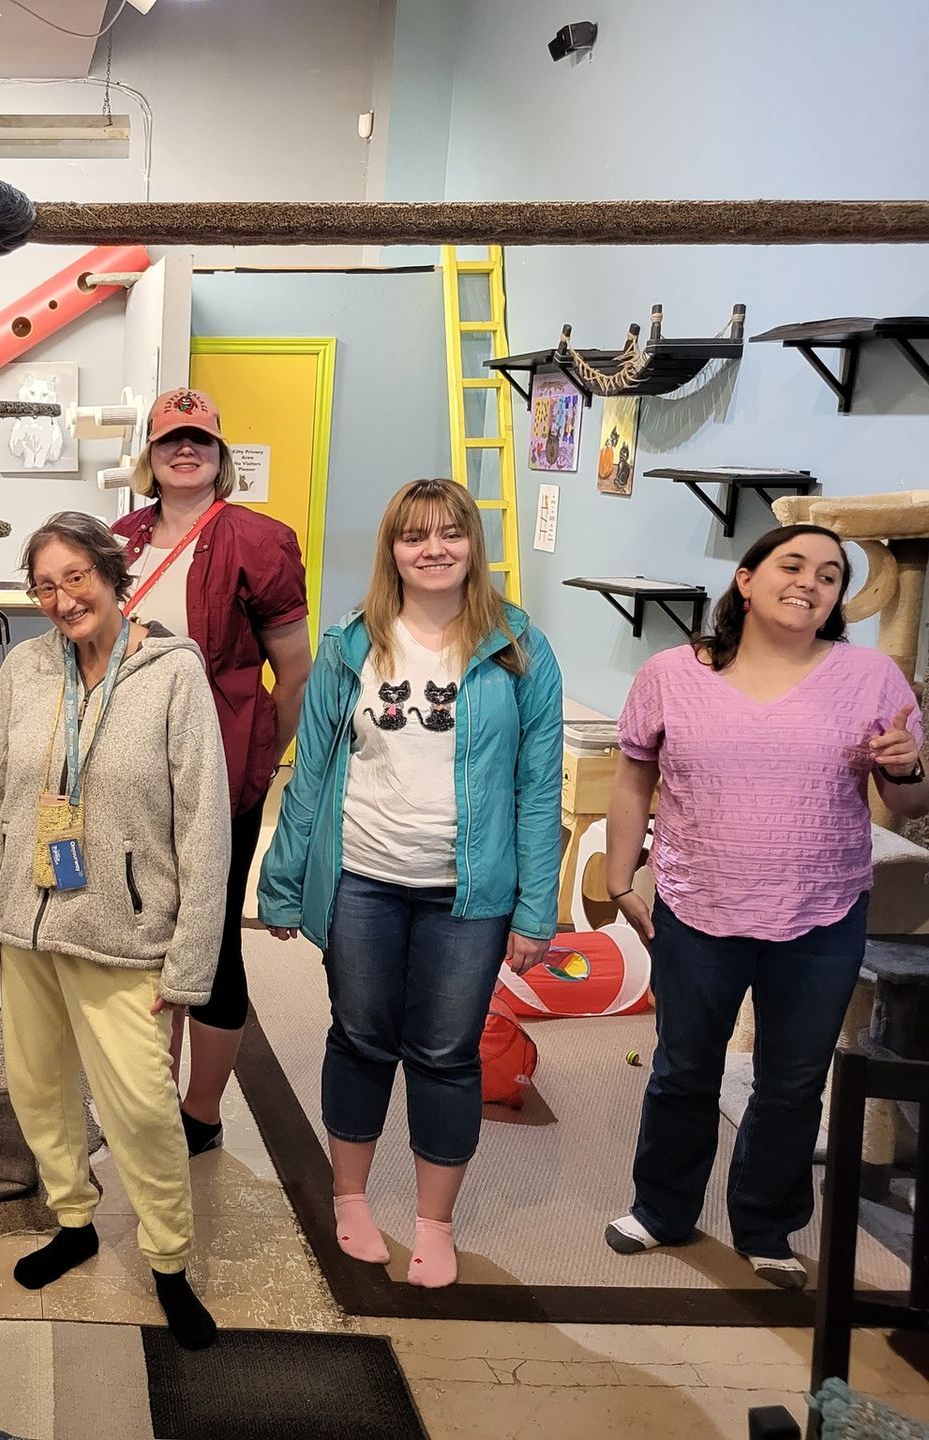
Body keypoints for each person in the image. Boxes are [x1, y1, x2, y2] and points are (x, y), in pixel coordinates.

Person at [602, 523, 928, 1289]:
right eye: (792, 564)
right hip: (696, 906)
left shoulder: (874, 678)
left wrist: (910, 765)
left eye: (829, 574)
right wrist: (622, 879)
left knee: (792, 1080)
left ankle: (767, 1227)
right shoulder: (670, 674)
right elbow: (631, 779)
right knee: (685, 1071)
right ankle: (661, 1209)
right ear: (745, 580)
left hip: (821, 914)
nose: (810, 582)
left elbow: (908, 798)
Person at [256, 478, 563, 1288]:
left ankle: (434, 1221)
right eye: (414, 535)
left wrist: (538, 909)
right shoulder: (351, 644)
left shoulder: (518, 648)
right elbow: (311, 771)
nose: (433, 549)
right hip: (364, 878)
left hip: (469, 891)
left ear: (472, 544)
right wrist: (284, 882)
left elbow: (539, 790)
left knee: (446, 1052)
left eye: (449, 533)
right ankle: (350, 1198)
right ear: (391, 548)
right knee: (359, 1038)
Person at [0, 512, 230, 1350]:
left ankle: (170, 1263)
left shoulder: (174, 676)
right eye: (45, 584)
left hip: (125, 931)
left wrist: (189, 967)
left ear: (113, 575)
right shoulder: (23, 670)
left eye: (76, 576)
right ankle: (73, 1221)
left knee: (145, 1108)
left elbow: (206, 828)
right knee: (40, 1091)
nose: (63, 597)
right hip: (29, 924)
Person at [113, 386, 312, 1156]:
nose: (184, 451)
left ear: (220, 455)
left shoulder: (259, 541)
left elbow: (292, 671)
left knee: (213, 943)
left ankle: (200, 1112)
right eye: (170, 441)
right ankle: (150, 1102)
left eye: (199, 439)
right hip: (128, 777)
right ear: (150, 458)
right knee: (142, 936)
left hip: (217, 777)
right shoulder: (119, 540)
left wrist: (263, 761)